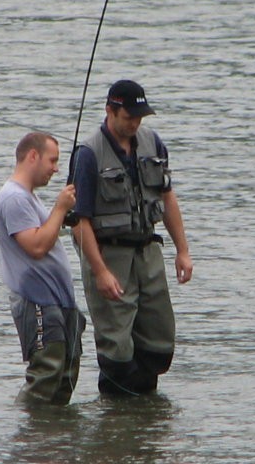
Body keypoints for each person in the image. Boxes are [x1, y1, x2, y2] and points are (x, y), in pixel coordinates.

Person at [70, 79, 193, 395]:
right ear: (110, 111)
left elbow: (167, 198)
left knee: (159, 345)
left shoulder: (153, 142)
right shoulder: (87, 154)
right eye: (129, 117)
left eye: (140, 116)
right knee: (118, 351)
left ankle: (143, 419)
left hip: (148, 252)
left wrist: (183, 251)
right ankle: (115, 416)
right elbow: (79, 223)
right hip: (109, 256)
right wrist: (100, 272)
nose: (136, 123)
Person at [0, 132, 85, 405]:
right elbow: (35, 246)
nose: (56, 169)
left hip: (57, 300)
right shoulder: (14, 199)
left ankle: (55, 440)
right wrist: (60, 208)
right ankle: (31, 438)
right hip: (36, 300)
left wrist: (62, 214)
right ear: (33, 156)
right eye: (52, 160)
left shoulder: (29, 198)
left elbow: (46, 234)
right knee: (47, 374)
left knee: (65, 375)